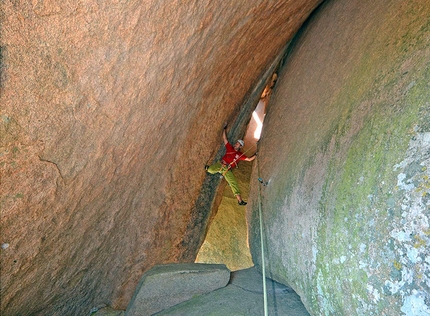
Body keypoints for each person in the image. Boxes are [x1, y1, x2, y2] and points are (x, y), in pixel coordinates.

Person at [205, 125, 256, 205]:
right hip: (221, 164)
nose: (236, 144)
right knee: (210, 170)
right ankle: (208, 168)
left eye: (238, 144)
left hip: (227, 170)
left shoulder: (240, 155)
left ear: (240, 146)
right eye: (236, 143)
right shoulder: (230, 148)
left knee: (233, 183)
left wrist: (255, 155)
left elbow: (249, 159)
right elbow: (225, 139)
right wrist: (224, 129)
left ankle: (240, 200)